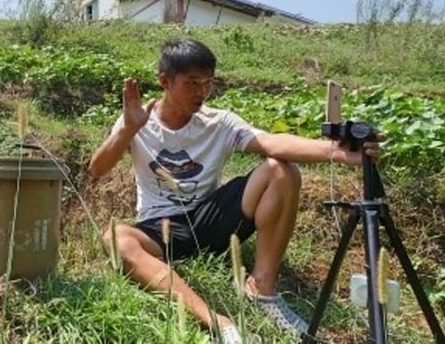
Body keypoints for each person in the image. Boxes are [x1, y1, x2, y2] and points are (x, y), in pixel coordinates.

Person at [88, 37, 379, 343]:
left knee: (281, 169)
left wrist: (336, 152)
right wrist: (127, 129)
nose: (202, 92)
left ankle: (262, 289)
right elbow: (97, 169)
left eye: (208, 83)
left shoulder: (220, 122)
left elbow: (271, 142)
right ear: (165, 81)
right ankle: (219, 323)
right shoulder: (137, 120)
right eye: (192, 83)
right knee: (116, 239)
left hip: (211, 219)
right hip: (160, 227)